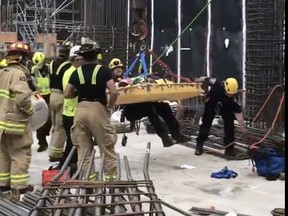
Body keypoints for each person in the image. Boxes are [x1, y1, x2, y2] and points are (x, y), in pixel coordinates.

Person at [64, 42, 118, 181]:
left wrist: (77, 94)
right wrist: (110, 107)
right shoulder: (104, 70)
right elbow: (113, 92)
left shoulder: (77, 72)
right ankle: (110, 181)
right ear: (97, 55)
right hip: (97, 109)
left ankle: (89, 182)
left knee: (83, 150)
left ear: (83, 57)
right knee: (106, 147)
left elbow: (67, 93)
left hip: (81, 110)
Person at [108, 58, 191, 147]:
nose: (119, 69)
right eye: (116, 68)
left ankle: (176, 135)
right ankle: (165, 137)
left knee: (164, 107)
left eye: (120, 68)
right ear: (111, 71)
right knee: (150, 110)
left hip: (141, 103)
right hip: (131, 110)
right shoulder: (111, 83)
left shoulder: (127, 79)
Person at [0, 41, 34, 193]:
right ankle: (19, 187)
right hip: (15, 122)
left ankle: (3, 184)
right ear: (22, 58)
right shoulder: (19, 74)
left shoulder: (3, 72)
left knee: (4, 154)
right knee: (20, 153)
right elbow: (22, 97)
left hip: (2, 122)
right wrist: (30, 109)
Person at [194, 77, 246, 156]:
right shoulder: (217, 84)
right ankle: (199, 145)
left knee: (230, 125)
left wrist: (243, 129)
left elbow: (238, 114)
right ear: (225, 88)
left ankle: (229, 149)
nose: (230, 95)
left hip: (225, 107)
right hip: (211, 105)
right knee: (206, 124)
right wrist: (197, 80)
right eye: (229, 93)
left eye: (232, 94)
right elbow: (206, 79)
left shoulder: (231, 100)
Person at [57, 45, 85, 171]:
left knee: (72, 142)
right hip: (72, 113)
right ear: (76, 59)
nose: (85, 61)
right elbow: (70, 93)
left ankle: (68, 166)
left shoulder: (70, 70)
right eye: (83, 58)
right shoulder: (73, 73)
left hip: (69, 112)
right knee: (73, 143)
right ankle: (64, 166)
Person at [49, 42, 73, 161]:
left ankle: (52, 148)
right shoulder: (67, 66)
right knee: (60, 126)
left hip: (51, 95)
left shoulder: (52, 63)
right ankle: (56, 153)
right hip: (60, 95)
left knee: (54, 125)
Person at [31, 51, 52, 152]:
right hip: (39, 96)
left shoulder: (49, 68)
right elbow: (32, 81)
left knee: (50, 119)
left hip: (49, 95)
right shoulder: (34, 69)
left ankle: (46, 132)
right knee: (40, 119)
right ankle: (42, 142)